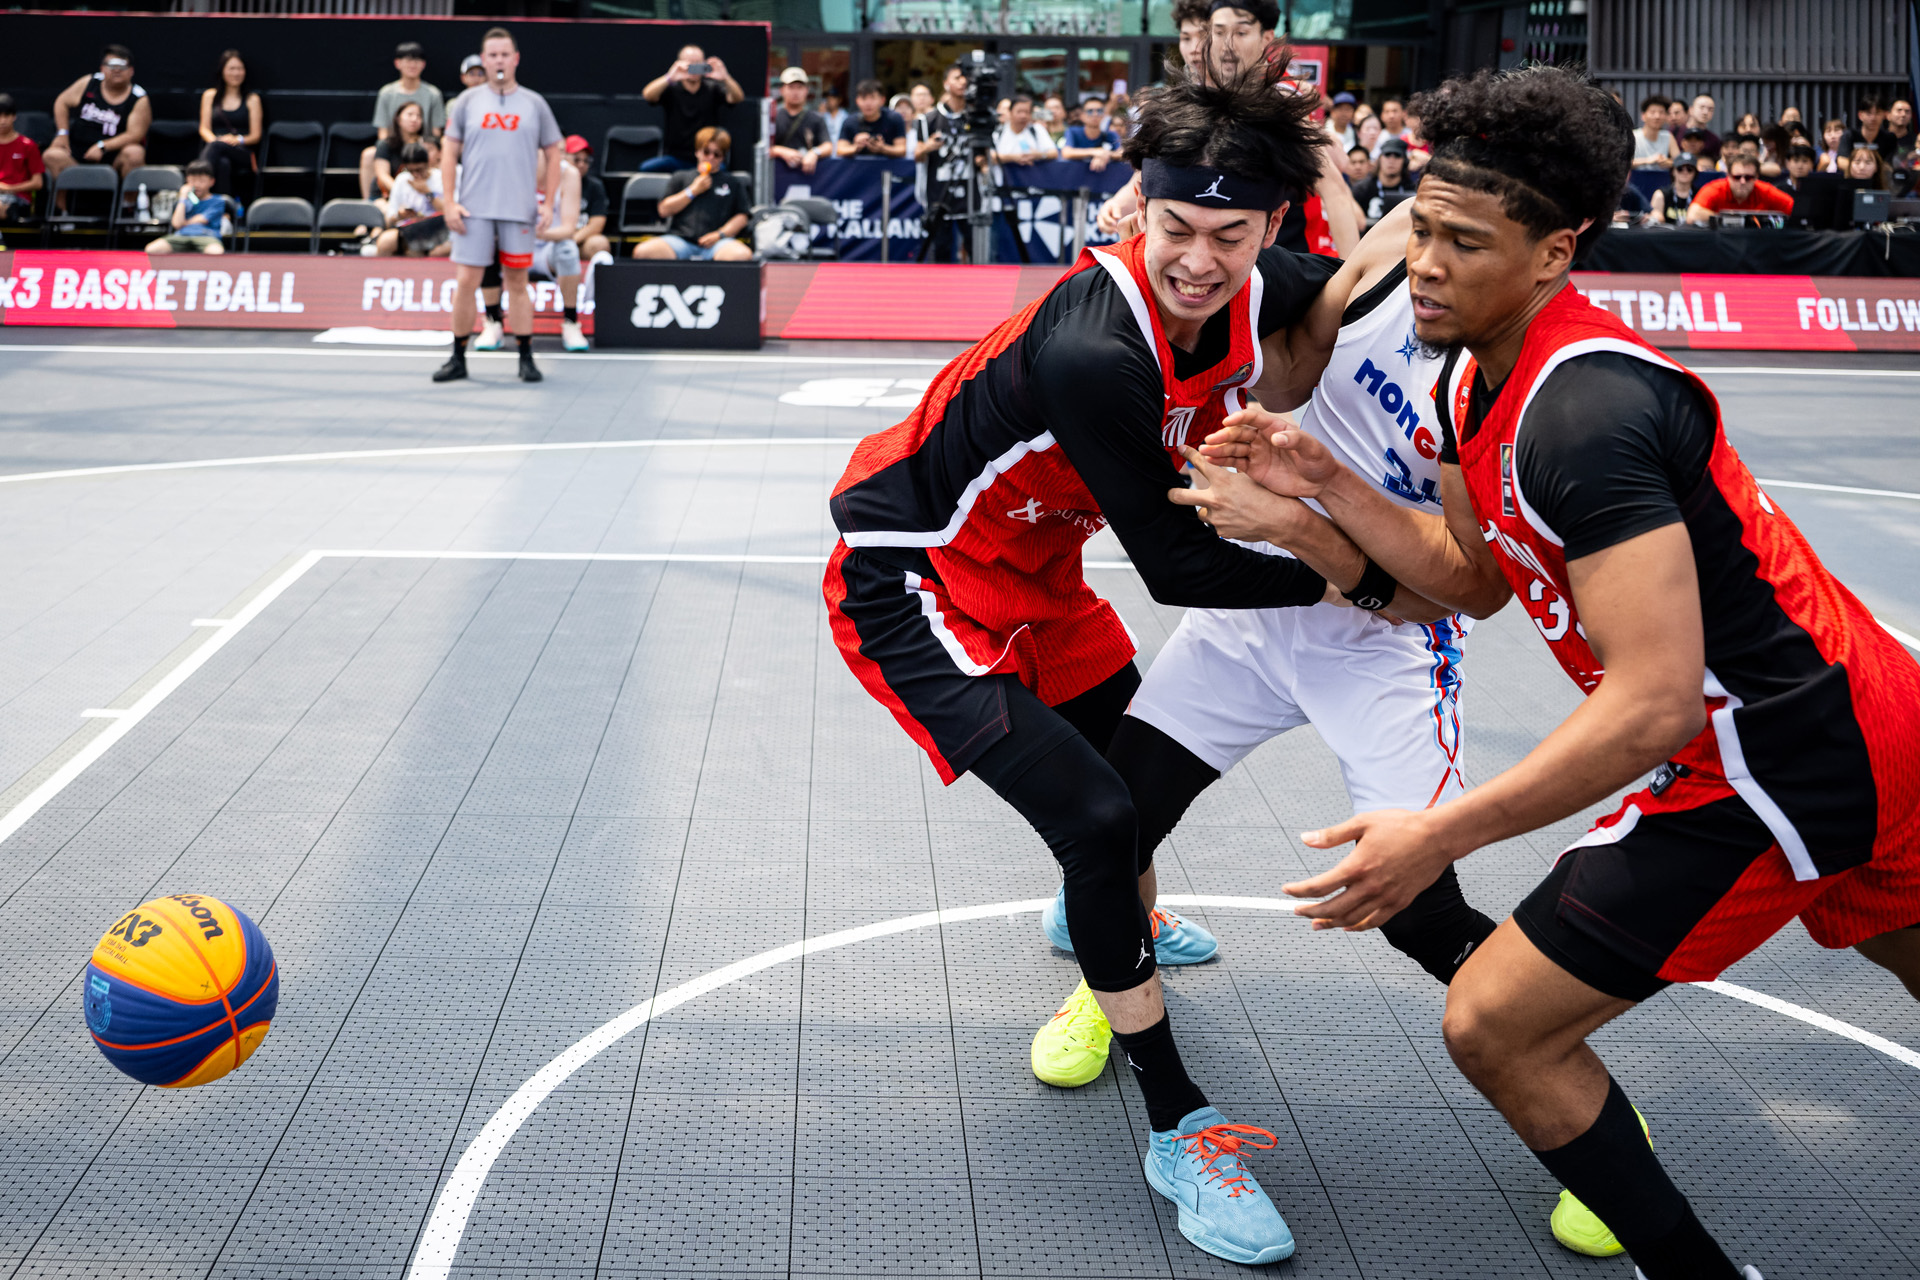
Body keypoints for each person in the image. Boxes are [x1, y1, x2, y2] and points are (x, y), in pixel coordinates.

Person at [1224, 63, 1920, 1280]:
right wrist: (1325, 483)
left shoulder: (1583, 414)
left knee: (1496, 1021)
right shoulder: (1467, 373)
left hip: (1781, 751)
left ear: (1555, 254)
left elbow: (1652, 701)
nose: (1422, 265)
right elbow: (1472, 577)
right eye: (1421, 228)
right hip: (1859, 717)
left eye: (1464, 244)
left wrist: (1439, 833)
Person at [824, 56, 1340, 1268]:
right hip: (917, 582)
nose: (1198, 260)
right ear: (1137, 207)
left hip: (1040, 574)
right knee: (1103, 820)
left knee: (1138, 785)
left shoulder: (1262, 285)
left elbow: (1369, 280)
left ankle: (1094, 917)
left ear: (1270, 228)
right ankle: (1178, 1124)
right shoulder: (1097, 347)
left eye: (1228, 235)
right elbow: (1181, 566)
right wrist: (1367, 575)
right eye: (1176, 227)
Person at [435, 26, 563, 386]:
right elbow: (448, 152)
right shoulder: (467, 102)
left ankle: (526, 357)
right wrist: (450, 202)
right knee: (466, 281)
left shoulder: (534, 103)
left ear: (516, 58)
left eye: (505, 54)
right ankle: (457, 357)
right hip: (474, 209)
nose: (499, 61)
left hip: (518, 208)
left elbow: (554, 153)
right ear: (484, 60)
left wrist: (548, 202)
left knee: (518, 282)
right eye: (492, 55)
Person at [630, 126, 751, 262]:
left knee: (741, 254)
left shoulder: (732, 182)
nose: (711, 157)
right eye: (706, 152)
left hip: (717, 243)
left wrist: (720, 234)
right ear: (697, 151)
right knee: (643, 252)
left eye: (717, 154)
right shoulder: (681, 177)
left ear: (722, 157)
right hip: (680, 240)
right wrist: (692, 191)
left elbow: (742, 216)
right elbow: (663, 210)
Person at [45, 45, 149, 182]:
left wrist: (103, 146)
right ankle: (72, 192)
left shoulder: (138, 98)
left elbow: (135, 135)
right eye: (111, 65)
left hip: (113, 155)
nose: (116, 70)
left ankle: (126, 196)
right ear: (102, 68)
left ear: (131, 71)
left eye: (122, 66)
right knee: (51, 155)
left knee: (135, 153)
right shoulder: (89, 82)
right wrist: (62, 133)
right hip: (77, 152)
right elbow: (61, 102)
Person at [361, 41, 447, 200]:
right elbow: (383, 133)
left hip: (422, 146)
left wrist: (422, 147)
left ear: (423, 64)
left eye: (417, 60)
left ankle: (438, 198)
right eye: (408, 60)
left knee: (444, 152)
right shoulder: (387, 93)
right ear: (398, 63)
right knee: (369, 154)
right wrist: (392, 146)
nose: (412, 64)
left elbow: (436, 133)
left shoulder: (433, 94)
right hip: (395, 147)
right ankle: (370, 203)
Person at [642, 45, 743, 173]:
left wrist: (725, 77)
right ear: (679, 63)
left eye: (698, 63)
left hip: (706, 158)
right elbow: (648, 95)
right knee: (647, 168)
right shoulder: (671, 89)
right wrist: (670, 77)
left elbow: (737, 98)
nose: (694, 68)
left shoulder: (712, 89)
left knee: (721, 173)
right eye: (690, 63)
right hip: (676, 158)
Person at [912, 62, 973, 263]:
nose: (963, 82)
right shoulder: (927, 120)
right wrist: (927, 147)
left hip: (970, 193)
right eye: (957, 78)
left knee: (976, 248)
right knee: (942, 249)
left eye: (965, 78)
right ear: (946, 83)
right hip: (939, 192)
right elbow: (917, 155)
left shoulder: (976, 117)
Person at [197, 50, 261, 197]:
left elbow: (256, 135)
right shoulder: (209, 96)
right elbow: (204, 128)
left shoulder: (252, 99)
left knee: (218, 148)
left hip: (241, 151)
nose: (236, 73)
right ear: (222, 71)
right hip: (215, 146)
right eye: (232, 69)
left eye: (240, 69)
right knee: (223, 163)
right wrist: (216, 142)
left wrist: (238, 139)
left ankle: (196, 185)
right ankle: (224, 207)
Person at [373, 141, 447, 257]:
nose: (416, 175)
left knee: (424, 248)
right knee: (385, 242)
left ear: (427, 163)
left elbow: (448, 212)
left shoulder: (441, 178)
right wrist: (400, 215)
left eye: (419, 170)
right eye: (411, 171)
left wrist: (427, 193)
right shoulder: (402, 180)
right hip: (409, 230)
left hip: (438, 231)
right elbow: (389, 220)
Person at [145, 158, 228, 255]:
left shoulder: (217, 201)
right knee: (151, 249)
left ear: (212, 181)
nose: (197, 184)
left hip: (207, 236)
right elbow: (176, 224)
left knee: (216, 252)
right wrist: (183, 197)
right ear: (187, 180)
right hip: (181, 236)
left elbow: (201, 219)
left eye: (202, 181)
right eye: (193, 180)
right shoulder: (183, 200)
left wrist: (184, 222)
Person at [1685, 154, 1792, 223]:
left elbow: (1794, 209)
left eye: (1748, 177)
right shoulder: (1715, 189)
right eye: (1737, 177)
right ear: (1728, 176)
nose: (1742, 181)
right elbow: (1692, 215)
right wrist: (1732, 221)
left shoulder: (1765, 191)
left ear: (1756, 177)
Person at [769, 66, 833, 176]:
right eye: (791, 87)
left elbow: (828, 146)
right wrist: (780, 151)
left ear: (806, 90)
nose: (795, 92)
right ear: (782, 90)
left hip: (808, 176)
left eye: (799, 87)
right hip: (775, 176)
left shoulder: (816, 119)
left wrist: (814, 153)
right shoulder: (773, 117)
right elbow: (762, 148)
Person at [368, 101, 434, 202]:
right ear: (398, 119)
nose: (414, 119)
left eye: (419, 116)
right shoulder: (385, 145)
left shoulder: (426, 145)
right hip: (385, 195)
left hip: (419, 196)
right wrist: (402, 193)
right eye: (410, 114)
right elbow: (382, 175)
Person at [563, 134, 610, 264]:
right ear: (563, 158)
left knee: (600, 244)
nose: (582, 164)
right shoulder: (551, 184)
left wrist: (573, 240)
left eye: (586, 161)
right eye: (577, 160)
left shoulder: (594, 186)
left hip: (580, 240)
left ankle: (594, 277)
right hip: (555, 239)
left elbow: (597, 223)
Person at [0, 95, 46, 225]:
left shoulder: (28, 145)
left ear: (14, 116)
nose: (2, 121)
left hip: (19, 199)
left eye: (6, 115)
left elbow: (38, 183)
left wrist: (9, 188)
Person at [1350, 135, 1416, 223]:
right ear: (1380, 158)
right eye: (1387, 155)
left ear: (1404, 161)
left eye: (1397, 156)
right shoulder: (1361, 189)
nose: (1391, 160)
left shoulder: (1412, 191)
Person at [836, 79, 906, 158]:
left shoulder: (894, 119)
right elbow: (840, 150)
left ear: (882, 100)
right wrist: (856, 146)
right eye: (864, 98)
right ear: (857, 101)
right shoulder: (850, 122)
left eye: (872, 98)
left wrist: (883, 148)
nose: (868, 103)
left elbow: (902, 149)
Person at [1060, 94, 1121, 171]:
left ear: (1104, 115)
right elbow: (1066, 152)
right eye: (1090, 111)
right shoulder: (1072, 131)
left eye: (1099, 111)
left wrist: (1105, 155)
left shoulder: (1111, 134)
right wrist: (1095, 152)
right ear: (1082, 116)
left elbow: (1122, 153)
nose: (1095, 114)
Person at [994, 92, 1058, 166]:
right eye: (1019, 112)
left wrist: (1038, 155)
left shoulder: (1037, 130)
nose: (1023, 116)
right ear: (1010, 112)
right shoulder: (999, 131)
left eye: (1027, 112)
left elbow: (1054, 153)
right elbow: (991, 156)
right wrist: (1013, 158)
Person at [1646, 153, 1699, 223]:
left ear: (1695, 173)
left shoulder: (1700, 194)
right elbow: (1654, 221)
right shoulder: (1660, 195)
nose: (1685, 172)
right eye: (1680, 169)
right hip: (1666, 230)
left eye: (1689, 169)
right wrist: (1657, 217)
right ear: (1673, 171)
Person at [1845, 94, 1897, 163]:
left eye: (1877, 113)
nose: (1873, 118)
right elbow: (1841, 160)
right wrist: (1861, 168)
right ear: (1860, 115)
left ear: (1884, 115)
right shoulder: (1850, 135)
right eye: (1868, 113)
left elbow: (1889, 164)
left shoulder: (1890, 138)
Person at [1631, 95, 1677, 168]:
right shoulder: (1633, 136)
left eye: (1661, 112)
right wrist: (1647, 160)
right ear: (1643, 116)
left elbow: (1680, 162)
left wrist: (1669, 163)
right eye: (1652, 112)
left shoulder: (1668, 136)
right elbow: (1622, 162)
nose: (1657, 116)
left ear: (1666, 116)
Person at [1679, 92, 1720, 161]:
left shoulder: (1714, 140)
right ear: (1691, 110)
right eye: (1702, 107)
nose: (1705, 112)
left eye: (1710, 109)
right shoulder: (1675, 132)